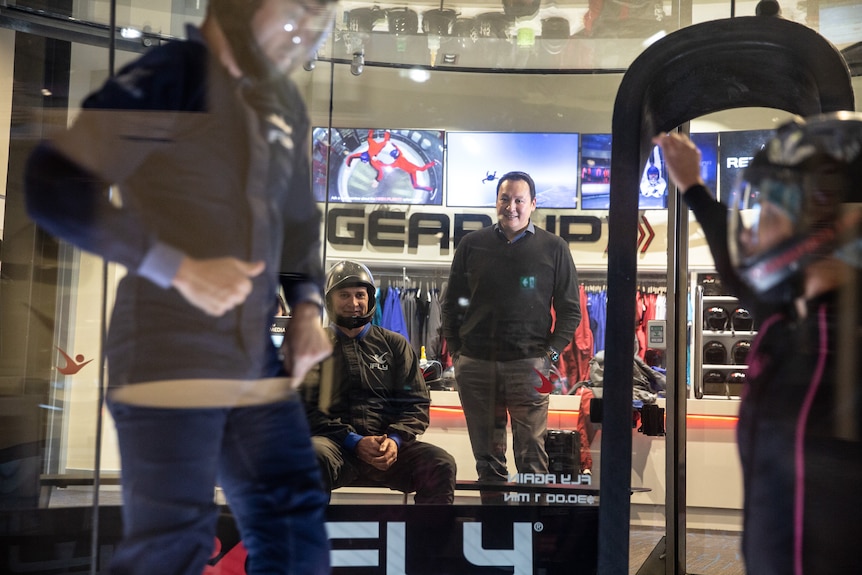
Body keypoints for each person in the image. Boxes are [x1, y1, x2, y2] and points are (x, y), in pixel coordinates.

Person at [23, 0, 339, 573]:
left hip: (253, 360)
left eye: (320, 15)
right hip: (166, 347)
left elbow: (295, 224)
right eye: (297, 10)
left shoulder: (281, 102)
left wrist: (307, 307)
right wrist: (176, 267)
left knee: (296, 536)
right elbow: (54, 183)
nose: (308, 30)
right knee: (173, 545)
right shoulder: (173, 75)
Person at [654, 112, 862, 574]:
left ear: (823, 221)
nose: (750, 233)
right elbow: (736, 267)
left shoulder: (839, 352)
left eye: (767, 212)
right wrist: (693, 188)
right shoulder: (792, 319)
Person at [441, 171, 581, 499]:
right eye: (505, 199)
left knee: (533, 456)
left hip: (531, 365)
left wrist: (550, 356)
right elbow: (451, 306)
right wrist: (458, 354)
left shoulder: (554, 248)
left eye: (519, 200)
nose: (512, 207)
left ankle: (534, 535)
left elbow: (571, 311)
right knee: (487, 459)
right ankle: (496, 532)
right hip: (475, 365)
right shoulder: (471, 245)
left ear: (533, 204)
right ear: (496, 203)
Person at [302, 260, 457, 504]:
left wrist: (395, 441)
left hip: (389, 450)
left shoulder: (395, 345)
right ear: (330, 300)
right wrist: (353, 441)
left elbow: (416, 404)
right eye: (344, 295)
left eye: (359, 295)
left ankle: (429, 542)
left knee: (440, 463)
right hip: (335, 448)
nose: (353, 303)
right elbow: (305, 411)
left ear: (369, 299)